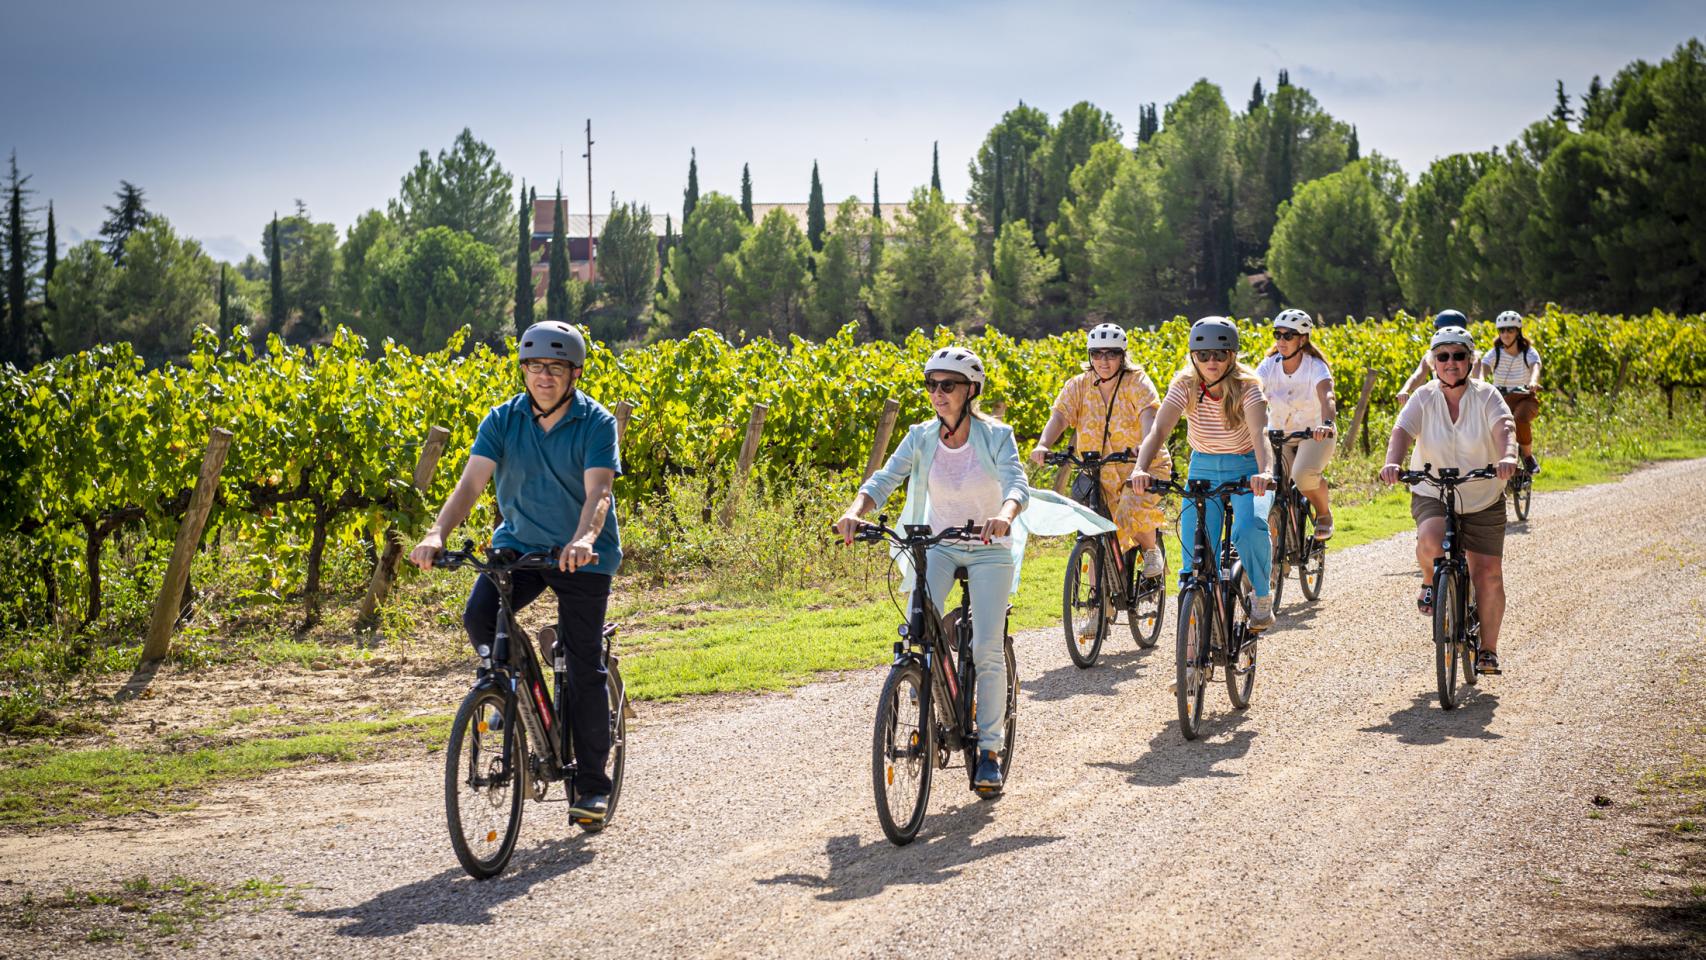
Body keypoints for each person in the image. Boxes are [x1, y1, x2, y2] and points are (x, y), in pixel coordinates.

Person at [836, 347, 1111, 794]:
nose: (937, 394)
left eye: (947, 386)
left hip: (989, 546)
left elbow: (1016, 482)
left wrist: (1005, 513)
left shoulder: (996, 435)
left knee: (986, 646)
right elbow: (885, 479)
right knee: (919, 622)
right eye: (931, 385)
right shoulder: (920, 436)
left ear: (970, 391)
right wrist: (856, 510)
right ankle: (923, 685)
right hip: (938, 544)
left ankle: (988, 751)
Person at [409, 320, 622, 823]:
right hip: (519, 548)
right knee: (480, 618)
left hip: (580, 555)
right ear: (523, 370)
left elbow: (600, 493)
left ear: (574, 373)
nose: (542, 376)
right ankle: (514, 679)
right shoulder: (502, 420)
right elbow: (470, 487)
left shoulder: (597, 422)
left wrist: (585, 538)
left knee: (585, 665)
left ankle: (592, 786)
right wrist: (437, 532)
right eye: (533, 366)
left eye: (554, 367)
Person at [1378, 325, 1520, 675]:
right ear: (1433, 361)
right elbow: (1402, 431)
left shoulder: (1486, 395)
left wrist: (1508, 457)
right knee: (1430, 539)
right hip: (1433, 488)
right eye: (1443, 356)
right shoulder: (1423, 397)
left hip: (1482, 492)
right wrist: (1392, 463)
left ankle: (1488, 649)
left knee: (1487, 574)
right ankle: (1430, 580)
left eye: (1458, 356)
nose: (1451, 363)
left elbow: (1505, 427)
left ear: (1470, 360)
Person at [1130, 318, 1277, 631]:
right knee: (1193, 556)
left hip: (1247, 468)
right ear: (1193, 357)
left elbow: (1260, 433)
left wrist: (1264, 471)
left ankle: (1262, 596)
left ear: (1232, 356)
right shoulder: (1185, 385)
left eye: (1220, 354)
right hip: (1202, 469)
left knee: (1249, 528)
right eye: (1204, 354)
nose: (1212, 361)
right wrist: (1141, 467)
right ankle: (1193, 655)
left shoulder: (1248, 388)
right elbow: (1158, 431)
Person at [1030, 322, 1171, 579]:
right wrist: (1043, 445)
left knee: (1128, 511)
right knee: (1094, 531)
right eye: (1097, 353)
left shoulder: (1137, 382)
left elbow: (1149, 417)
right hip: (1099, 471)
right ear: (1089, 356)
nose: (1103, 361)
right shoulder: (1078, 385)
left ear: (1123, 355)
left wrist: (1145, 445)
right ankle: (1098, 609)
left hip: (1143, 466)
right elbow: (1060, 417)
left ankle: (1151, 549)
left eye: (1112, 354)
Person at [1254, 308, 1338, 539]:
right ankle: (1282, 551)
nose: (1281, 340)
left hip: (1315, 434)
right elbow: (1252, 389)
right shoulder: (1269, 365)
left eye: (1288, 335)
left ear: (1302, 339)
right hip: (1278, 434)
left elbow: (1327, 396)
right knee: (1272, 485)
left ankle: (1323, 513)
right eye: (1277, 335)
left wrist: (1327, 423)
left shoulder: (1315, 366)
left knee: (1303, 476)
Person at [1479, 310, 1543, 473]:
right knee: (1487, 424)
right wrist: (1479, 380)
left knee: (1520, 419)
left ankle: (1528, 457)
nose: (1505, 334)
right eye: (1502, 330)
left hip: (1524, 397)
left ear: (1518, 332)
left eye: (1510, 330)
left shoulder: (1528, 352)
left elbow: (1535, 366)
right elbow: (1484, 366)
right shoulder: (1495, 353)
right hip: (1501, 398)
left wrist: (1533, 381)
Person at [1396, 309, 1474, 407]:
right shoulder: (1430, 356)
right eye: (1443, 357)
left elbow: (1479, 378)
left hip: (1467, 402)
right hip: (1439, 402)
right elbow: (1418, 375)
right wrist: (1405, 390)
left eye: (1459, 356)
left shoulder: (1472, 356)